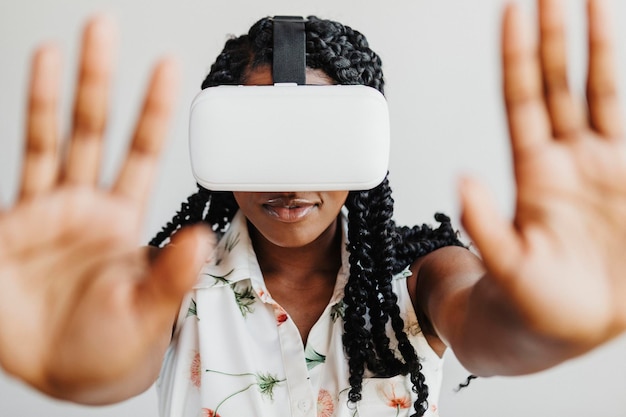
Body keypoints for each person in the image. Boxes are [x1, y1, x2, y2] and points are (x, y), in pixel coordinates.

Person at [0, 0, 625, 416]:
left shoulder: (421, 275)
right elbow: (115, 353)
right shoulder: (163, 283)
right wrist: (80, 372)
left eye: (316, 141)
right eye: (260, 140)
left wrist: (539, 325)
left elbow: (489, 327)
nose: (289, 176)